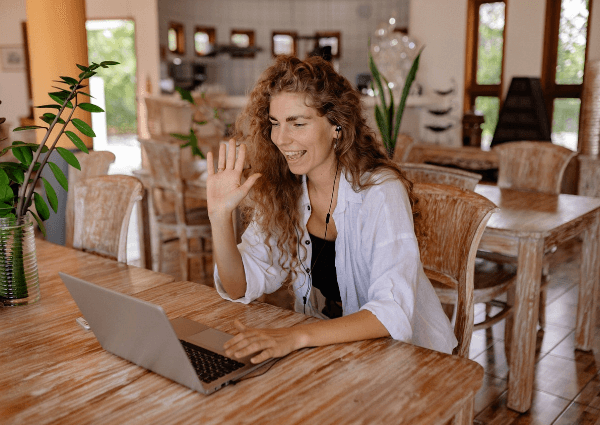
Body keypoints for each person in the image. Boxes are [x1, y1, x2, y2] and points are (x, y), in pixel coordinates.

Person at [206, 55, 457, 365]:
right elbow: (238, 285)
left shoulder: (380, 191)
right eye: (275, 123)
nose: (282, 139)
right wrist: (219, 218)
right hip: (334, 354)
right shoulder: (286, 190)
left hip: (410, 360)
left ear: (337, 125)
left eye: (297, 123)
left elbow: (392, 313)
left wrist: (296, 337)